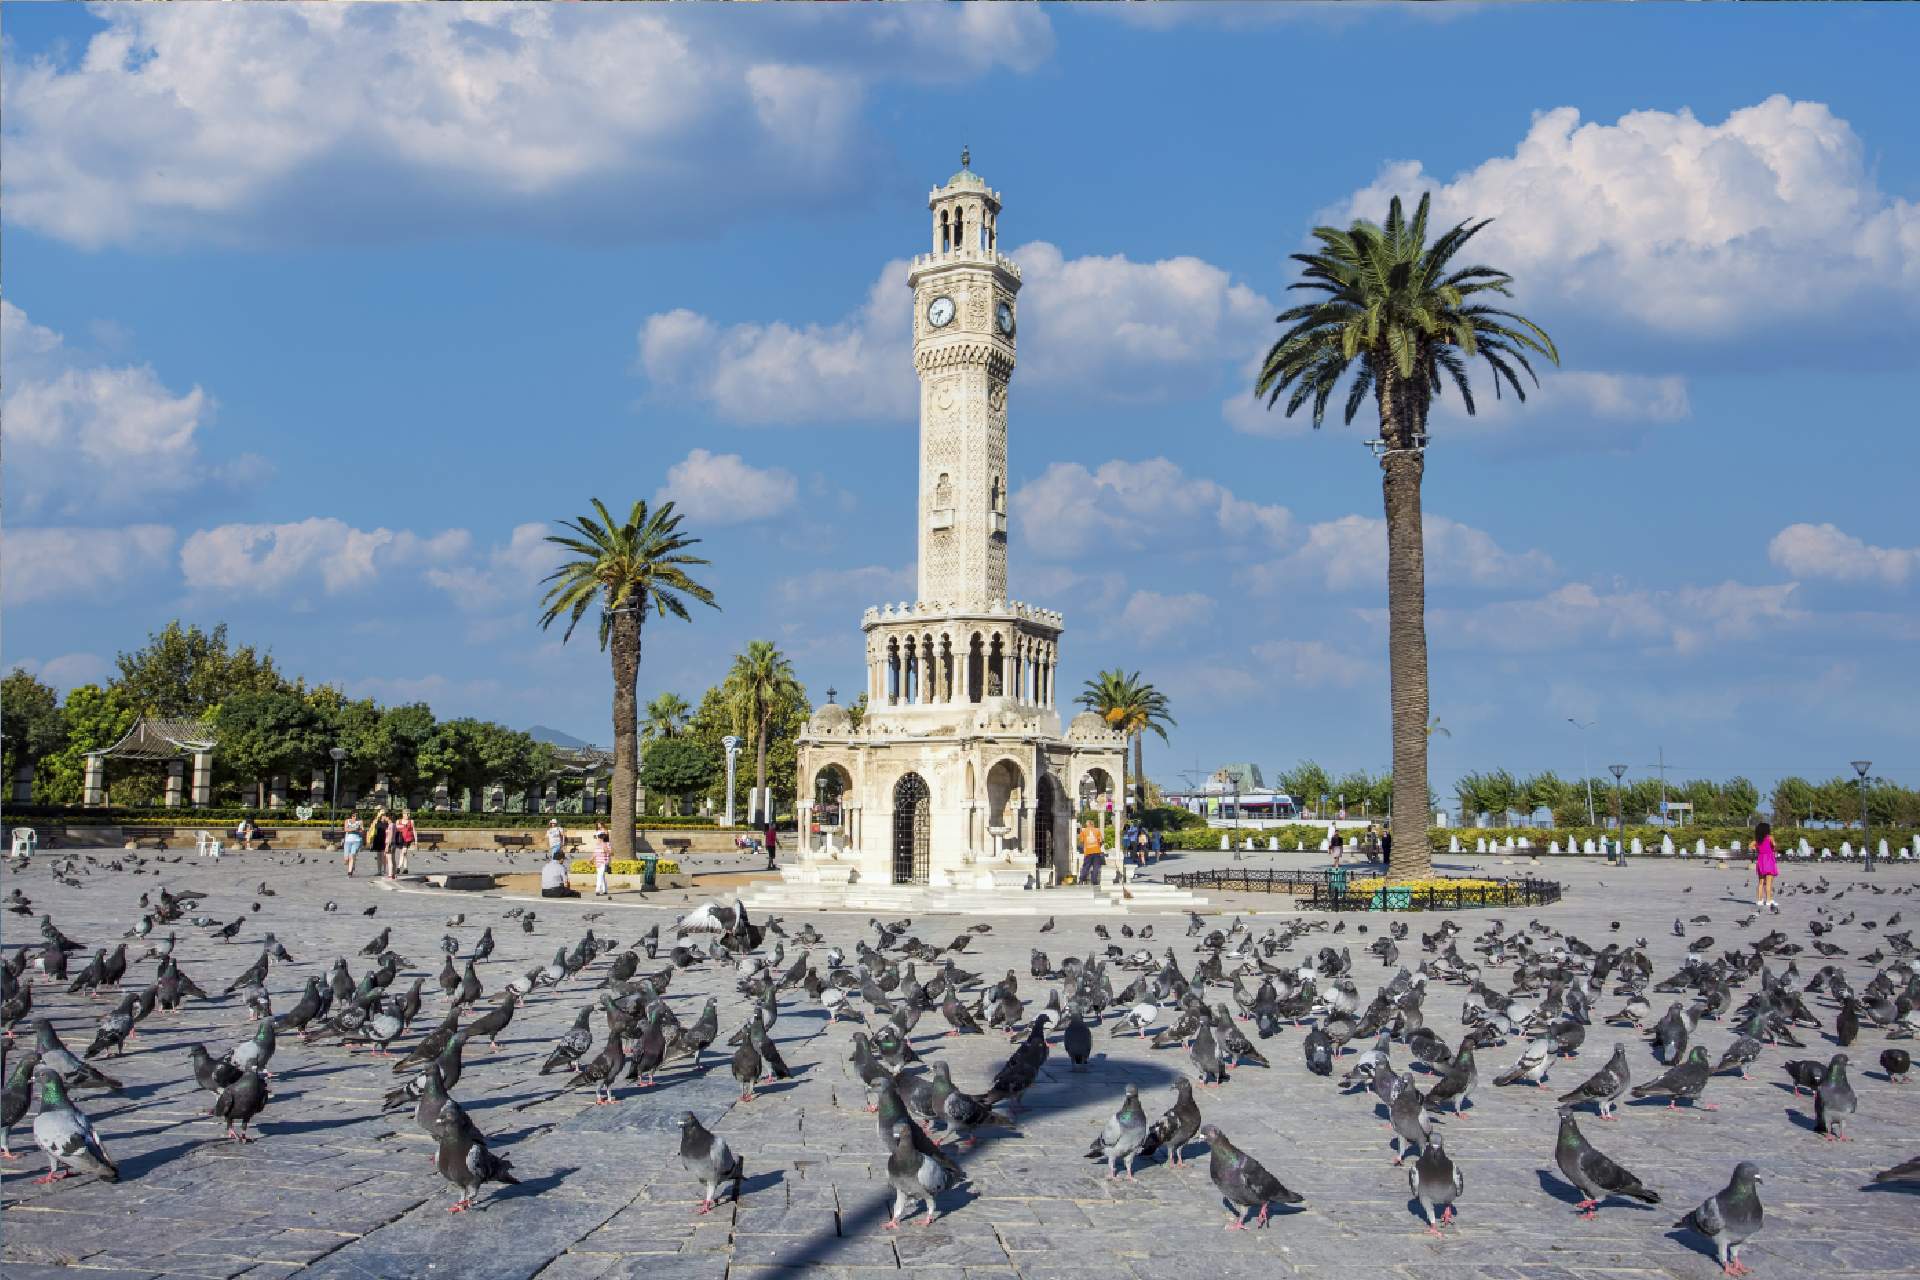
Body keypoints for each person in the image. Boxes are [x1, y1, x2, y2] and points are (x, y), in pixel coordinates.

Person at [1753, 820, 1779, 913]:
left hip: (1761, 860)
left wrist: (1758, 849)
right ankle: (1769, 900)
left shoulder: (1757, 840)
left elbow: (1751, 846)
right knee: (1769, 883)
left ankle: (1760, 900)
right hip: (1769, 860)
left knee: (1761, 882)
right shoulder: (1769, 837)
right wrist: (1773, 848)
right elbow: (1774, 846)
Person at [1077, 819, 1104, 887]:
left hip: (1088, 852)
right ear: (1092, 824)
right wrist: (1098, 846)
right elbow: (1101, 841)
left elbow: (1081, 842)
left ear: (1087, 824)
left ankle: (1081, 880)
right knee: (1096, 867)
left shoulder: (1084, 831)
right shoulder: (1097, 830)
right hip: (1096, 851)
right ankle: (1094, 881)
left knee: (1086, 866)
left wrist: (1083, 849)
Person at [370, 807, 394, 879]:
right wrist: (371, 841)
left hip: (385, 840)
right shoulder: (376, 821)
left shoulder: (388, 823)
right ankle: (379, 871)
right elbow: (372, 829)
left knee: (384, 856)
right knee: (379, 856)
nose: (383, 816)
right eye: (382, 815)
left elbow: (391, 828)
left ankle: (384, 870)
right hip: (377, 839)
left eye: (384, 815)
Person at [591, 822, 612, 898]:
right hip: (598, 861)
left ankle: (597, 890)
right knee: (601, 875)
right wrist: (591, 859)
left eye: (599, 837)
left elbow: (611, 853)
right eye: (597, 837)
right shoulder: (598, 845)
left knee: (599, 875)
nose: (598, 838)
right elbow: (595, 853)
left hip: (603, 861)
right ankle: (605, 889)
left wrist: (607, 851)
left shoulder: (606, 844)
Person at [394, 810, 416, 875]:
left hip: (407, 839)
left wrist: (416, 840)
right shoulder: (398, 821)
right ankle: (406, 869)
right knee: (404, 854)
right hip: (400, 839)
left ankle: (398, 867)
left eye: (409, 814)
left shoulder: (411, 821)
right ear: (403, 814)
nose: (408, 815)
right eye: (407, 814)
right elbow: (395, 829)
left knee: (403, 852)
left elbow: (414, 830)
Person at [341, 812, 364, 877]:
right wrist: (354, 829)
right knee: (346, 859)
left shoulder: (360, 821)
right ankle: (352, 864)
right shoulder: (347, 821)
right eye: (353, 816)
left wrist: (360, 830)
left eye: (356, 816)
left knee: (352, 856)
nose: (355, 817)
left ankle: (350, 872)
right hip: (348, 841)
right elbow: (345, 829)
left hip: (356, 841)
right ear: (351, 816)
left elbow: (362, 830)